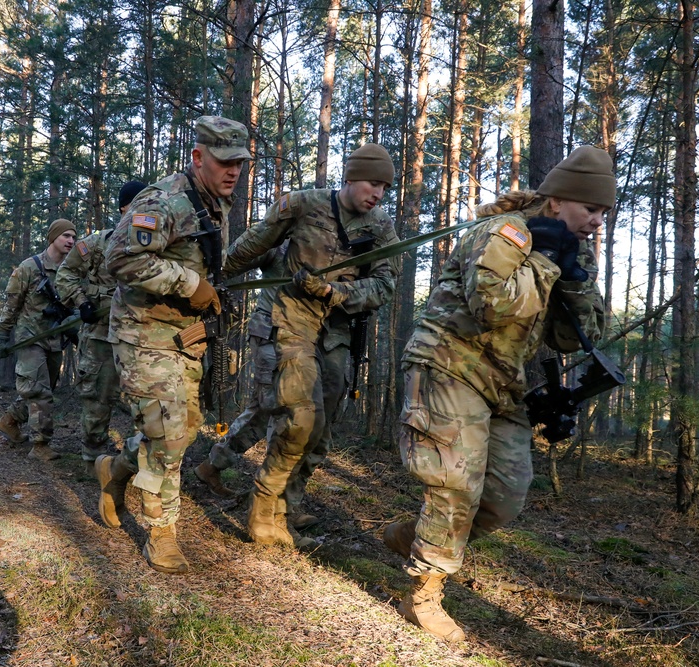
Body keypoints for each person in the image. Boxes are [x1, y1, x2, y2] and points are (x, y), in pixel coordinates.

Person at [384, 146, 613, 643]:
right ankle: (423, 595)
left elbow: (575, 336)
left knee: (506, 496)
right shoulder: (504, 232)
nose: (596, 221)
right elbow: (494, 307)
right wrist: (546, 261)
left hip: (500, 379)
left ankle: (411, 538)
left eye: (602, 213)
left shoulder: (573, 249)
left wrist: (570, 275)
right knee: (455, 481)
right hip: (447, 362)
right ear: (557, 202)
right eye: (589, 209)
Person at [222, 143, 400, 547]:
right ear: (351, 178)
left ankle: (288, 504)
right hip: (286, 320)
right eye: (373, 183)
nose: (378, 194)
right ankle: (263, 509)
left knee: (320, 427)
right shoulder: (302, 205)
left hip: (334, 332)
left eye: (385, 188)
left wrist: (335, 292)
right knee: (298, 416)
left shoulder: (380, 227)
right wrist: (217, 274)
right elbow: (254, 243)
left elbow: (385, 284)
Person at [94, 116, 250, 574]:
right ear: (198, 157)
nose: (233, 172)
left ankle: (117, 470)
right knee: (169, 434)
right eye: (224, 162)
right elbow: (119, 257)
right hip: (142, 333)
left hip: (184, 337)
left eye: (239, 164)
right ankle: (161, 533)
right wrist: (188, 284)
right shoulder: (164, 200)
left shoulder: (210, 202)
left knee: (178, 431)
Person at [193, 247, 353, 533]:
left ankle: (276, 499)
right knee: (281, 413)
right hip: (276, 335)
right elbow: (232, 260)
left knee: (285, 416)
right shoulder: (285, 240)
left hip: (323, 341)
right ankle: (271, 507)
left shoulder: (351, 245)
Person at [56, 181, 147, 474]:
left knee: (146, 406)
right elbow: (66, 274)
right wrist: (81, 302)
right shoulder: (97, 243)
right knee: (97, 399)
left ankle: (136, 464)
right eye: (139, 204)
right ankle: (92, 460)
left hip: (142, 338)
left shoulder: (156, 246)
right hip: (101, 335)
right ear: (124, 208)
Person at [0, 218, 78, 462]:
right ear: (53, 237)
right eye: (66, 236)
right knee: (39, 391)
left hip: (54, 340)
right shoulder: (29, 267)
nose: (71, 241)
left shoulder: (70, 271)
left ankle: (9, 421)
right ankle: (40, 445)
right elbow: (11, 305)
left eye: (73, 237)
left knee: (42, 388)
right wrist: (2, 337)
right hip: (30, 339)